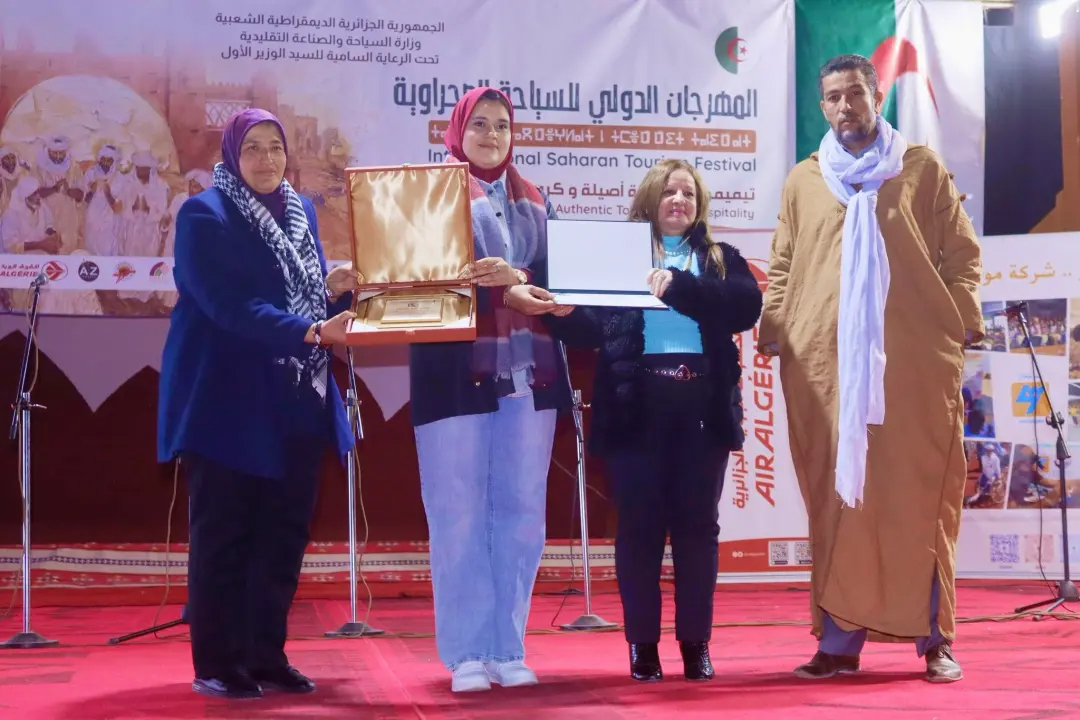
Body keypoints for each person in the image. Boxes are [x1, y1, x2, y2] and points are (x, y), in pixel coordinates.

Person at [757, 54, 983, 684]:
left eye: (855, 93)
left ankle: (935, 640)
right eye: (832, 97)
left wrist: (954, 324)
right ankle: (838, 643)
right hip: (825, 370)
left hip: (912, 366)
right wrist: (777, 330)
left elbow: (961, 256)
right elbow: (784, 264)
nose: (844, 106)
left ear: (877, 97)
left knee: (920, 498)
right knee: (839, 500)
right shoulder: (804, 180)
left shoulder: (920, 169)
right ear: (821, 106)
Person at [158, 108, 360, 700]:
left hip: (295, 398)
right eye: (253, 148)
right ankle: (218, 662)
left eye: (275, 147)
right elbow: (228, 305)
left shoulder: (300, 212)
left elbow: (300, 296)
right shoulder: (204, 214)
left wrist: (333, 293)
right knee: (225, 535)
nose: (267, 159)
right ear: (231, 154)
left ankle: (265, 654)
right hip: (226, 402)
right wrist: (314, 331)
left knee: (282, 533)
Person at [546, 159, 762, 682]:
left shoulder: (720, 258)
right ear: (649, 199)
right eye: (669, 192)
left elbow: (744, 307)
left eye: (688, 193)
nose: (679, 201)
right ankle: (642, 646)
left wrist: (678, 286)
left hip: (702, 409)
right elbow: (590, 331)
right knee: (639, 530)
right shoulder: (620, 257)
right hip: (635, 406)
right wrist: (562, 314)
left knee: (697, 530)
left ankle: (695, 644)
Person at [409, 87, 574, 693]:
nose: (491, 135)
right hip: (453, 372)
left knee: (522, 512)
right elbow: (416, 277)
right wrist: (501, 287)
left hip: (529, 374)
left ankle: (507, 646)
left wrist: (522, 280)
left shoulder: (537, 202)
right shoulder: (428, 196)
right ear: (458, 131)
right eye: (478, 124)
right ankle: (467, 653)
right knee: (457, 511)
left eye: (501, 125)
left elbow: (557, 281)